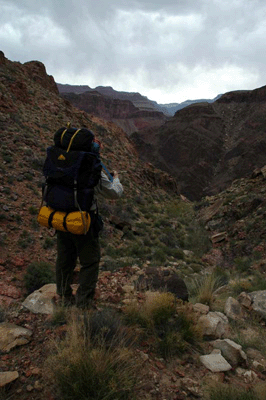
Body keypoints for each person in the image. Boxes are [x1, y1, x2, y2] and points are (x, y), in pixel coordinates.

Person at [55, 164, 123, 308]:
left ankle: (63, 295)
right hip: (83, 222)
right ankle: (83, 302)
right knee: (90, 262)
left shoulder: (59, 158)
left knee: (64, 259)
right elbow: (114, 193)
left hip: (60, 218)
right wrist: (115, 179)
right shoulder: (92, 165)